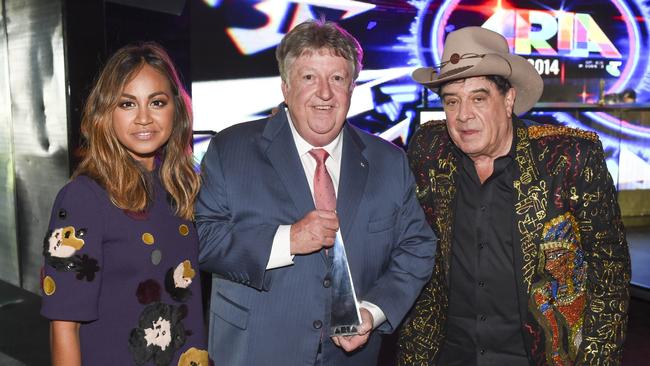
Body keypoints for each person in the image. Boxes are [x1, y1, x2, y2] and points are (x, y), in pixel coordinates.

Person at [195, 19, 436, 365]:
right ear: (286, 87)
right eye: (310, 77)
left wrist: (372, 312)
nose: (325, 93)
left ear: (352, 87)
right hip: (255, 352)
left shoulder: (389, 162)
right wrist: (287, 240)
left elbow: (417, 247)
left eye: (337, 79)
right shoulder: (231, 150)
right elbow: (203, 238)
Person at [397, 27, 630, 366]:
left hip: (539, 356)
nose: (463, 115)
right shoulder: (428, 150)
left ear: (508, 100)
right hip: (448, 354)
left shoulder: (569, 159)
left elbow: (610, 274)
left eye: (478, 98)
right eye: (451, 101)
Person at [41, 43, 209, 366]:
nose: (144, 118)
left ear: (176, 109)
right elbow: (64, 326)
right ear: (106, 113)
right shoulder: (83, 198)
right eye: (127, 104)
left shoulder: (181, 185)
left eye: (157, 102)